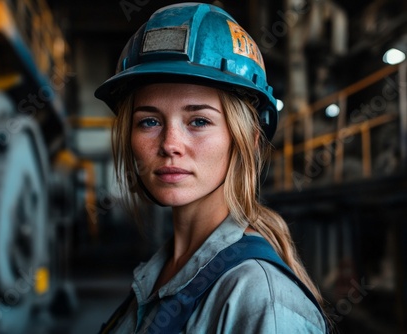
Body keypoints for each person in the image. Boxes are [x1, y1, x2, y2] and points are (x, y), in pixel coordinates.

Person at [95, 3, 330, 333]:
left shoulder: (261, 302)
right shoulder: (158, 273)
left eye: (199, 121)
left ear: (246, 138)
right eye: (149, 121)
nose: (170, 144)